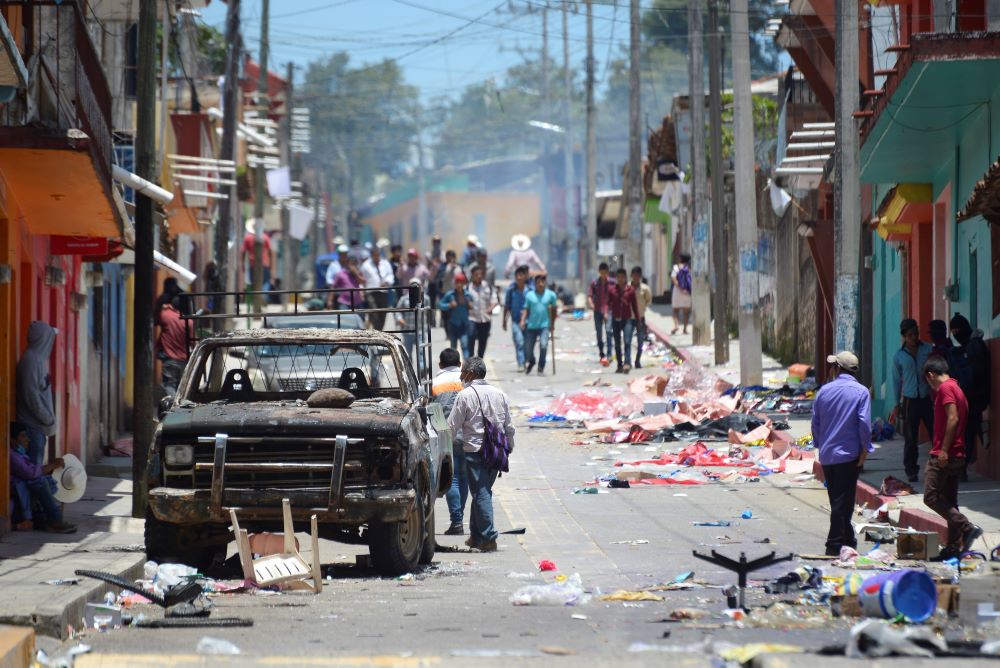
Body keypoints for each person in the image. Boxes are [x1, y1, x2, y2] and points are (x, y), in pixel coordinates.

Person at [446, 357, 515, 552]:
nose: (461, 376)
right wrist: (509, 446)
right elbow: (509, 426)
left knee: (481, 493)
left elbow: (452, 426)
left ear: (471, 373)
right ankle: (476, 536)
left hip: (475, 451)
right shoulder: (500, 394)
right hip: (497, 451)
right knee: (482, 492)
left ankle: (488, 537)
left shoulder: (465, 395)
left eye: (463, 372)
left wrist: (444, 447)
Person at [811, 351, 873, 556]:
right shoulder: (861, 392)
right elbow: (864, 423)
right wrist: (866, 449)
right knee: (842, 500)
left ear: (838, 368)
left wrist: (820, 445)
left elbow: (816, 423)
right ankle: (834, 543)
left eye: (832, 366)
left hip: (828, 455)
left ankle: (847, 539)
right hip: (849, 454)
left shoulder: (824, 391)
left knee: (839, 499)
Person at [922, 355, 983, 558]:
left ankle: (967, 527)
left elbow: (953, 418)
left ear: (930, 375)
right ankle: (953, 548)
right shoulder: (957, 387)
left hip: (946, 454)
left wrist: (944, 450)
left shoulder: (946, 389)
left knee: (930, 496)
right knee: (950, 501)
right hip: (957, 453)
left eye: (927, 381)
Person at [9, 423, 76, 533]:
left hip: (24, 499)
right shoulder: (11, 455)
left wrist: (50, 468)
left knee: (44, 481)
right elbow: (31, 473)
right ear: (12, 440)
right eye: (23, 436)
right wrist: (52, 466)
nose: (27, 440)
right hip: (16, 502)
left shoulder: (20, 454)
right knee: (40, 482)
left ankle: (45, 519)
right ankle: (55, 519)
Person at [949, 313, 991, 477]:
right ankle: (963, 466)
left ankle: (962, 466)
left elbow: (978, 374)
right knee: (966, 433)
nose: (956, 334)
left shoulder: (974, 346)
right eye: (953, 331)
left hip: (973, 400)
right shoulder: (964, 349)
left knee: (967, 433)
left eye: (958, 330)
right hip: (967, 400)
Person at [892, 318, 934, 482]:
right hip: (910, 401)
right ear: (904, 336)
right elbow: (896, 381)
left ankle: (939, 467)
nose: (914, 337)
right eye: (910, 335)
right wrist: (897, 404)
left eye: (915, 333)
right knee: (911, 438)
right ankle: (911, 470)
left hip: (926, 398)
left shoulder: (928, 349)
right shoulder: (899, 356)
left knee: (935, 433)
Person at [432, 348, 467, 536]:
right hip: (467, 436)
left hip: (445, 436)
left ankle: (457, 521)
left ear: (440, 365)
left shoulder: (434, 383)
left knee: (451, 478)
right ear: (460, 364)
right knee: (463, 477)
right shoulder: (466, 382)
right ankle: (459, 518)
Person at [16, 321, 57, 466]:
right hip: (31, 426)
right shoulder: (31, 361)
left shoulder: (37, 360)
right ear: (43, 338)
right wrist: (47, 418)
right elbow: (31, 395)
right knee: (33, 474)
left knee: (35, 471)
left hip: (37, 427)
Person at [520, 274, 558, 375]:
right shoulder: (530, 295)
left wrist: (552, 323)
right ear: (535, 284)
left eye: (542, 282)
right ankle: (532, 361)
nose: (540, 284)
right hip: (532, 326)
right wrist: (523, 320)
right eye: (538, 282)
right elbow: (526, 309)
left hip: (545, 326)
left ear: (545, 283)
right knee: (527, 348)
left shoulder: (551, 295)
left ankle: (541, 366)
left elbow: (554, 310)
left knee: (543, 345)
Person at [157, 296, 191, 397]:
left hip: (169, 358)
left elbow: (156, 319)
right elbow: (192, 342)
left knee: (169, 385)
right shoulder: (189, 321)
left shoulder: (165, 315)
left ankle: (172, 408)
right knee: (182, 387)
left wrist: (166, 307)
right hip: (184, 359)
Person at [608, 268, 639, 374]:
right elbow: (608, 304)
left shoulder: (630, 290)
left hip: (627, 320)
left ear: (625, 278)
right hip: (615, 320)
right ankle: (619, 365)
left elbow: (635, 306)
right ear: (616, 278)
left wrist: (638, 320)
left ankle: (627, 363)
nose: (620, 279)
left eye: (622, 277)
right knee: (617, 343)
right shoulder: (612, 290)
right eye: (618, 277)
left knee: (627, 341)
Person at [360, 242, 395, 330]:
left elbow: (390, 275)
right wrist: (361, 291)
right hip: (371, 292)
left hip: (383, 292)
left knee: (383, 313)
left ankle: (379, 331)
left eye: (378, 255)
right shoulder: (365, 265)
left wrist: (386, 282)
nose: (377, 257)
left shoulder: (385, 263)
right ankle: (377, 331)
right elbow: (361, 279)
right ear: (371, 255)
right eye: (375, 255)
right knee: (374, 312)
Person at [502, 266, 530, 371]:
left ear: (525, 277)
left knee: (527, 343)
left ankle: (526, 360)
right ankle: (520, 363)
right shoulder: (511, 290)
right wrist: (504, 321)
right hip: (515, 321)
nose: (518, 277)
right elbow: (507, 306)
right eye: (517, 275)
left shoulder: (530, 291)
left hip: (529, 321)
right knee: (519, 342)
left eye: (521, 275)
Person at [439, 274, 473, 358]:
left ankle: (466, 367)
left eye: (461, 282)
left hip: (464, 325)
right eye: (457, 282)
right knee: (453, 348)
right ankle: (453, 366)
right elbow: (440, 305)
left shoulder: (468, 295)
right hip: (453, 324)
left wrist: (470, 305)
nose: (459, 285)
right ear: (455, 283)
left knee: (465, 345)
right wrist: (449, 305)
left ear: (464, 283)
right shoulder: (450, 295)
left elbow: (474, 306)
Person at [394, 279, 425, 368]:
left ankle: (422, 370)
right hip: (407, 330)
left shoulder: (425, 298)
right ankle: (409, 372)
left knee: (421, 352)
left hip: (420, 330)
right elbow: (397, 311)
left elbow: (427, 311)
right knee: (408, 353)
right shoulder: (404, 299)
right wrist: (400, 319)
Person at [587, 263, 613, 366]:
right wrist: (591, 304)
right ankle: (602, 353)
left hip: (609, 311)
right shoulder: (594, 283)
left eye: (605, 273)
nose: (603, 275)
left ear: (607, 272)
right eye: (601, 273)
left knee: (608, 331)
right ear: (599, 272)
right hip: (597, 310)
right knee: (599, 332)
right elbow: (589, 295)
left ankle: (610, 354)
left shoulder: (612, 283)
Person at [467, 265, 495, 358]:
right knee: (471, 337)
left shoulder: (488, 287)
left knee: (483, 341)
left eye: (480, 274)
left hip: (485, 319)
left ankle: (479, 360)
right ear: (472, 275)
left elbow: (494, 301)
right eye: (476, 274)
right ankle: (470, 358)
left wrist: (490, 309)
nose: (479, 276)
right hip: (472, 318)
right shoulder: (468, 288)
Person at [631, 266, 653, 369]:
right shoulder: (627, 287)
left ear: (640, 276)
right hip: (629, 318)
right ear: (631, 275)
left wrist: (642, 307)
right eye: (634, 275)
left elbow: (648, 300)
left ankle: (637, 361)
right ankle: (627, 360)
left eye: (638, 275)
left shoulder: (645, 288)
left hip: (640, 317)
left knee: (640, 341)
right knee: (627, 340)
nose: (636, 277)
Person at [242, 222, 273, 291]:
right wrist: (270, 265)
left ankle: (257, 299)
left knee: (254, 284)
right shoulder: (265, 237)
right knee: (264, 283)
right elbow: (270, 252)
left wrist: (243, 264)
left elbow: (243, 252)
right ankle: (262, 298)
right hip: (264, 265)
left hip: (253, 264)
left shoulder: (248, 238)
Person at [438, 250, 460, 332]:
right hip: (446, 293)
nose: (451, 259)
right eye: (449, 256)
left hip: (457, 293)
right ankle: (448, 332)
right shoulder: (443, 267)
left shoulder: (459, 267)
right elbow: (441, 279)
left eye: (452, 257)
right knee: (446, 315)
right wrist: (449, 268)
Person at [670, 253, 692, 335]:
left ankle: (676, 325)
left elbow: (673, 278)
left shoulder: (676, 267)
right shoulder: (689, 268)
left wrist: (680, 288)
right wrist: (686, 289)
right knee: (686, 312)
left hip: (677, 292)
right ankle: (685, 329)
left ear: (680, 259)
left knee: (675, 311)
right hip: (687, 292)